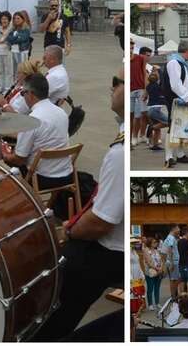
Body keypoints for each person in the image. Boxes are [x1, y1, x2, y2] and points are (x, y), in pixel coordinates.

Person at [32, 68, 123, 340]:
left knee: (61, 278)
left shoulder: (120, 154)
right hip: (67, 181)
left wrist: (69, 232)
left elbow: (100, 223)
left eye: (117, 83)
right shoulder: (61, 113)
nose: (112, 87)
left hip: (109, 250)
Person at [1, 74, 72, 190]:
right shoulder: (62, 113)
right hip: (66, 175)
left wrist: (5, 155)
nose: (23, 97)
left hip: (42, 178)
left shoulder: (32, 120)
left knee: (0, 163)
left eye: (23, 93)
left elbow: (19, 159)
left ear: (31, 95)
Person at [162, 41, 188, 168]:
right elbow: (175, 84)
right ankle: (169, 157)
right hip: (176, 99)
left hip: (185, 99)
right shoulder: (173, 62)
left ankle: (179, 154)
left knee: (183, 126)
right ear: (187, 51)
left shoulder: (184, 64)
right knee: (173, 126)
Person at [160, 225, 181, 301]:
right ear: (174, 229)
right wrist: (171, 262)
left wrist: (166, 262)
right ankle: (173, 297)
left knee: (174, 279)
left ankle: (174, 295)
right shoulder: (171, 238)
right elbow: (170, 249)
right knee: (175, 279)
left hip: (171, 261)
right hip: (174, 261)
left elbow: (163, 251)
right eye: (178, 228)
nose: (179, 229)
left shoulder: (168, 237)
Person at [7, 11, 31, 75]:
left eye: (18, 18)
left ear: (22, 19)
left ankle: (22, 83)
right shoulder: (13, 29)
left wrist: (14, 38)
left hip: (22, 51)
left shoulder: (26, 29)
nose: (16, 20)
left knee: (22, 69)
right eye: (14, 18)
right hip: (13, 51)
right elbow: (9, 39)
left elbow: (23, 39)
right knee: (14, 69)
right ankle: (15, 82)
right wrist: (16, 37)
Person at [143, 237, 164, 310]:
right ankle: (150, 304)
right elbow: (148, 262)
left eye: (156, 242)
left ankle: (157, 303)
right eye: (154, 242)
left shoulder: (157, 250)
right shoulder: (146, 250)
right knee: (150, 288)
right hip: (150, 272)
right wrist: (157, 268)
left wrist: (161, 267)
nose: (156, 243)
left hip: (158, 272)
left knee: (157, 288)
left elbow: (161, 260)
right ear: (150, 243)